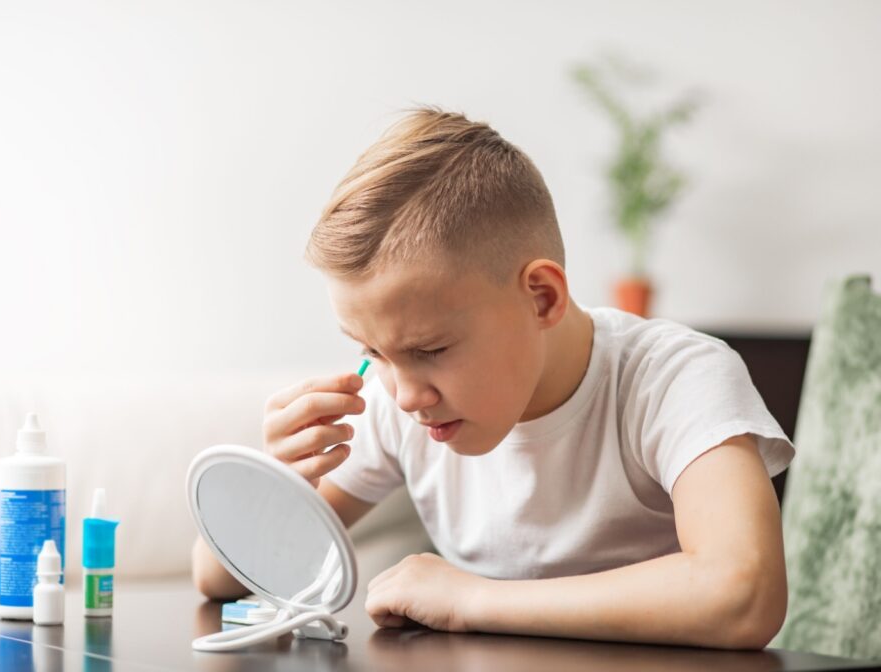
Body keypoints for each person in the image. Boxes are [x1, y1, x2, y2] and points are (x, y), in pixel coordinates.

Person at [192, 107, 794, 649]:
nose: (403, 396)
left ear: (540, 297)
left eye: (430, 348)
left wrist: (472, 598)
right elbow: (216, 578)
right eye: (372, 352)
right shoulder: (396, 402)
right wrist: (271, 490)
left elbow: (743, 593)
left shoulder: (674, 379)